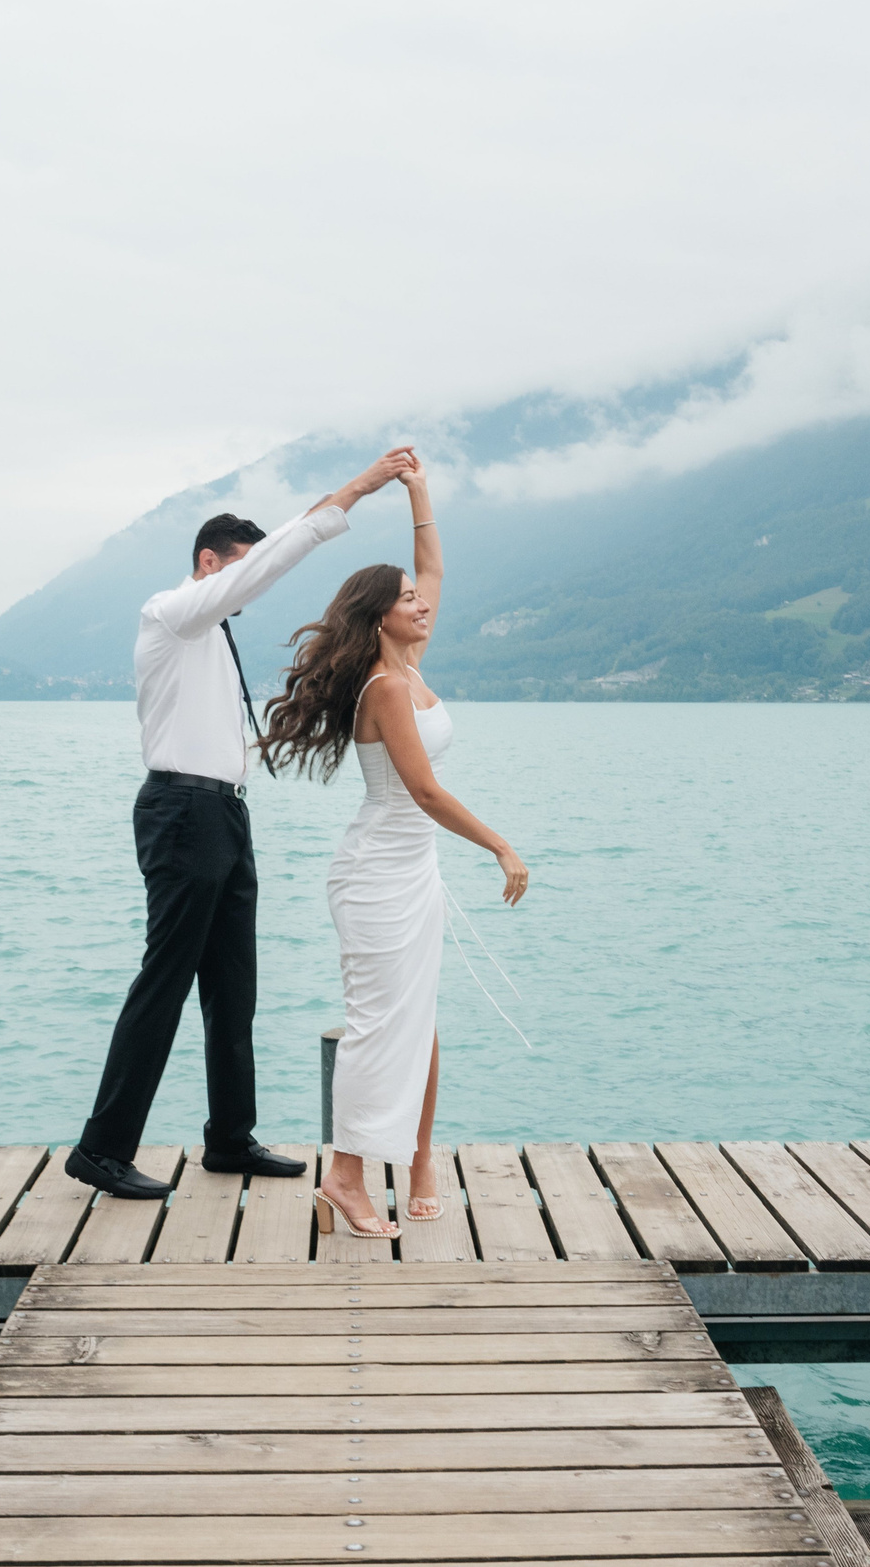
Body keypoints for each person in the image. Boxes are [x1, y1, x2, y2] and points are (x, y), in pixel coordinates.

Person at [63, 447, 420, 1200]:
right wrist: (357, 489)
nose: (247, 589)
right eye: (237, 571)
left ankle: (229, 1138)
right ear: (209, 563)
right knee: (165, 980)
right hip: (181, 813)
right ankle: (101, 1147)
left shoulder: (213, 634)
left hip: (223, 813)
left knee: (234, 986)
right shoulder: (170, 614)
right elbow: (268, 564)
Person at [257, 456, 529, 1237]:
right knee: (379, 1023)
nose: (423, 602)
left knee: (417, 1018)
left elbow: (433, 567)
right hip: (377, 872)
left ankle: (414, 1160)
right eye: (407, 599)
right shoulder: (383, 687)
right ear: (381, 617)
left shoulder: (408, 663)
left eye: (417, 596)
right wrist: (501, 845)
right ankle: (344, 1178)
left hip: (413, 870)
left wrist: (416, 489)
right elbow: (425, 792)